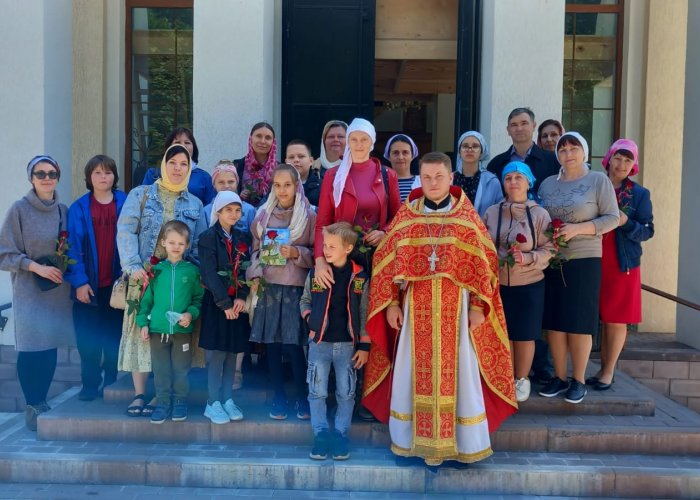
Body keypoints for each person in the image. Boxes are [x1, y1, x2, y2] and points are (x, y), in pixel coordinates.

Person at [362, 152, 517, 466]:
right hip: (413, 308)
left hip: (456, 312)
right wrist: (391, 303)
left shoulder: (466, 218)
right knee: (408, 371)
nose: (433, 183)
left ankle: (462, 444)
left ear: (450, 179)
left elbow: (484, 266)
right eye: (427, 177)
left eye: (439, 177)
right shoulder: (407, 216)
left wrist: (477, 306)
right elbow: (386, 262)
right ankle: (408, 443)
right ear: (421, 178)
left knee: (461, 373)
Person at [117, 143, 206, 417]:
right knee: (140, 334)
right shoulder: (141, 194)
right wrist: (133, 266)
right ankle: (140, 394)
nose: (178, 168)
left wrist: (196, 276)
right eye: (173, 162)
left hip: (178, 278)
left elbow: (200, 242)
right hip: (145, 275)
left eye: (184, 164)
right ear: (164, 164)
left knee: (172, 334)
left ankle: (164, 395)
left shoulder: (195, 203)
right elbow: (126, 229)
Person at [537, 132, 619, 404]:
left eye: (573, 148)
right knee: (555, 323)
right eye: (563, 149)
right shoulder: (548, 184)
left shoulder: (597, 180)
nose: (568, 153)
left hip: (585, 259)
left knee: (579, 323)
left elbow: (612, 218)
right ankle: (560, 377)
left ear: (584, 151)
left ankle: (579, 380)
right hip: (553, 259)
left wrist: (577, 230)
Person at [0, 155, 74, 431]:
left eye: (52, 173)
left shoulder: (63, 210)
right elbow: (4, 253)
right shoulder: (19, 210)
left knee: (49, 345)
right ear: (31, 178)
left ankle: (42, 402)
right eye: (40, 174)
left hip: (56, 289)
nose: (47, 178)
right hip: (29, 290)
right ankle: (33, 403)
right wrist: (35, 268)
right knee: (31, 347)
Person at [247, 164, 316, 420]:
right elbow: (254, 253)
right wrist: (254, 274)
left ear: (297, 186)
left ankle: (302, 397)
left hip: (295, 289)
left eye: (287, 184)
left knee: (295, 346)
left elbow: (318, 254)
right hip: (269, 286)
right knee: (273, 346)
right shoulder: (262, 216)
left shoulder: (308, 216)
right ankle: (278, 396)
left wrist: (297, 253)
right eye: (277, 185)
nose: (282, 190)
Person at [483, 162, 554, 402]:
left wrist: (529, 257)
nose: (513, 182)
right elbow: (483, 243)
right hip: (499, 282)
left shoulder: (540, 214)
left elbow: (550, 248)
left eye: (518, 177)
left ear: (528, 182)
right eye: (508, 178)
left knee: (524, 333)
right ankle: (505, 377)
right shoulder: (492, 212)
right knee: (503, 332)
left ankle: (522, 378)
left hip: (529, 281)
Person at [300, 221, 369, 461]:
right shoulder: (316, 274)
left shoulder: (359, 276)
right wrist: (310, 319)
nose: (325, 250)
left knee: (346, 393)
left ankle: (340, 435)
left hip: (348, 346)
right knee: (316, 391)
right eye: (324, 245)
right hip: (319, 343)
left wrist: (364, 346)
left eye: (331, 246)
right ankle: (320, 435)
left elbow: (364, 311)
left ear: (348, 248)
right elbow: (305, 300)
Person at [590, 139, 654, 391]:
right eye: (618, 158)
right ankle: (604, 369)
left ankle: (607, 372)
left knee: (616, 319)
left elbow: (647, 231)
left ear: (633, 165)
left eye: (628, 160)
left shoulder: (639, 194)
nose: (622, 164)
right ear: (609, 158)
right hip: (593, 258)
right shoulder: (594, 184)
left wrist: (626, 222)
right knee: (602, 317)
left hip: (621, 262)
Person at [65, 155, 127, 401]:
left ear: (115, 176)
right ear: (89, 178)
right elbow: (71, 246)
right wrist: (79, 281)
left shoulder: (125, 202)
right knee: (88, 339)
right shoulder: (78, 207)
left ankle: (111, 382)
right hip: (88, 286)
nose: (104, 177)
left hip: (116, 286)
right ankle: (90, 384)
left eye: (108, 172)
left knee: (113, 337)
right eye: (98, 173)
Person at [314, 117, 401, 284]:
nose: (359, 144)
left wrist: (384, 232)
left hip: (378, 256)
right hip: (341, 258)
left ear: (372, 142)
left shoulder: (388, 175)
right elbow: (322, 223)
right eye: (354, 139)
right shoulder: (333, 176)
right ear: (348, 142)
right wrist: (319, 260)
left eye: (364, 139)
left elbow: (398, 216)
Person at [136, 220, 203, 424]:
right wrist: (143, 323)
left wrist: (190, 314)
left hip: (182, 331)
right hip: (158, 330)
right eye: (172, 242)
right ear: (163, 243)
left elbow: (198, 299)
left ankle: (180, 402)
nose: (176, 247)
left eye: (181, 244)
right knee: (161, 369)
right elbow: (146, 300)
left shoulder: (192, 271)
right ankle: (163, 402)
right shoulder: (156, 270)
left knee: (181, 368)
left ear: (187, 246)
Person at [198, 191, 251, 424]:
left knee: (233, 352)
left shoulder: (242, 236)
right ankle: (212, 401)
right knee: (218, 354)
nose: (233, 214)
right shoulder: (208, 238)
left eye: (237, 210)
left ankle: (228, 398)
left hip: (236, 305)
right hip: (218, 303)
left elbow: (245, 270)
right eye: (228, 209)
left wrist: (243, 296)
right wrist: (225, 303)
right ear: (218, 211)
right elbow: (209, 273)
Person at [487, 107, 560, 194]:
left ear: (533, 126)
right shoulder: (495, 164)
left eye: (524, 123)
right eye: (514, 125)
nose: (519, 129)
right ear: (508, 130)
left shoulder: (553, 161)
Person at [141, 126, 216, 206]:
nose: (183, 146)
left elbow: (210, 210)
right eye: (177, 142)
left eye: (187, 142)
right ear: (168, 148)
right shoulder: (153, 174)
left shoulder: (204, 177)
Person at [454, 131, 503, 217]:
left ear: (481, 152)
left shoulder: (492, 182)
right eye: (465, 146)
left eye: (475, 146)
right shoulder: (449, 179)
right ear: (459, 152)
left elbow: (499, 213)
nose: (470, 149)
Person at [202, 161, 256, 232]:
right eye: (221, 182)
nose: (227, 186)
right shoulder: (206, 211)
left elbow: (254, 238)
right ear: (214, 185)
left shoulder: (249, 210)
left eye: (231, 182)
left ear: (237, 182)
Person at [233, 122, 278, 206]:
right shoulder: (237, 166)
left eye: (268, 138)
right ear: (251, 138)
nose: (263, 141)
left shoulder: (280, 169)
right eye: (258, 136)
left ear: (273, 142)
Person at [384, 134, 419, 202]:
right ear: (388, 156)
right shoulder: (381, 183)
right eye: (395, 153)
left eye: (405, 152)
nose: (400, 157)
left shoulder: (423, 182)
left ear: (413, 155)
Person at [285, 140, 321, 207]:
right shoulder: (277, 184)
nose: (296, 160)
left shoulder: (322, 185)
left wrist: (310, 208)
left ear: (311, 161)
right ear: (286, 162)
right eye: (291, 157)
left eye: (301, 156)